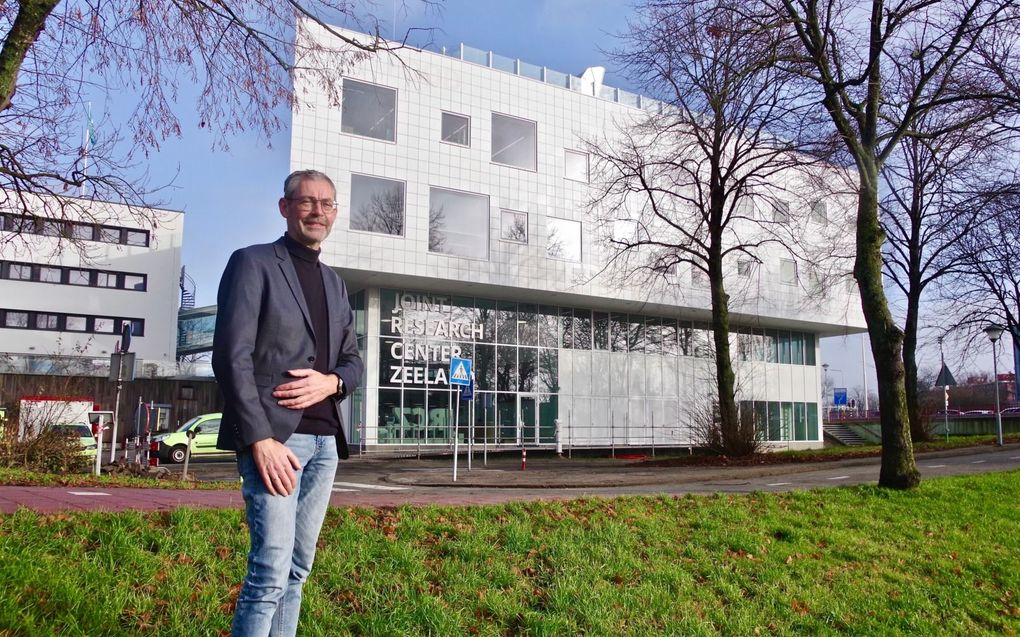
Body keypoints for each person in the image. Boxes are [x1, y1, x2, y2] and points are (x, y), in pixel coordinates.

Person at [213, 169, 364, 637]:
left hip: (324, 447)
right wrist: (259, 437)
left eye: (327, 203)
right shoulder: (253, 263)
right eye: (306, 202)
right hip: (277, 442)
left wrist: (331, 383)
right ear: (285, 207)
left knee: (297, 572)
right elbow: (230, 356)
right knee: (269, 573)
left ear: (335, 213)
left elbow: (354, 363)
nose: (317, 211)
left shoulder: (336, 284)